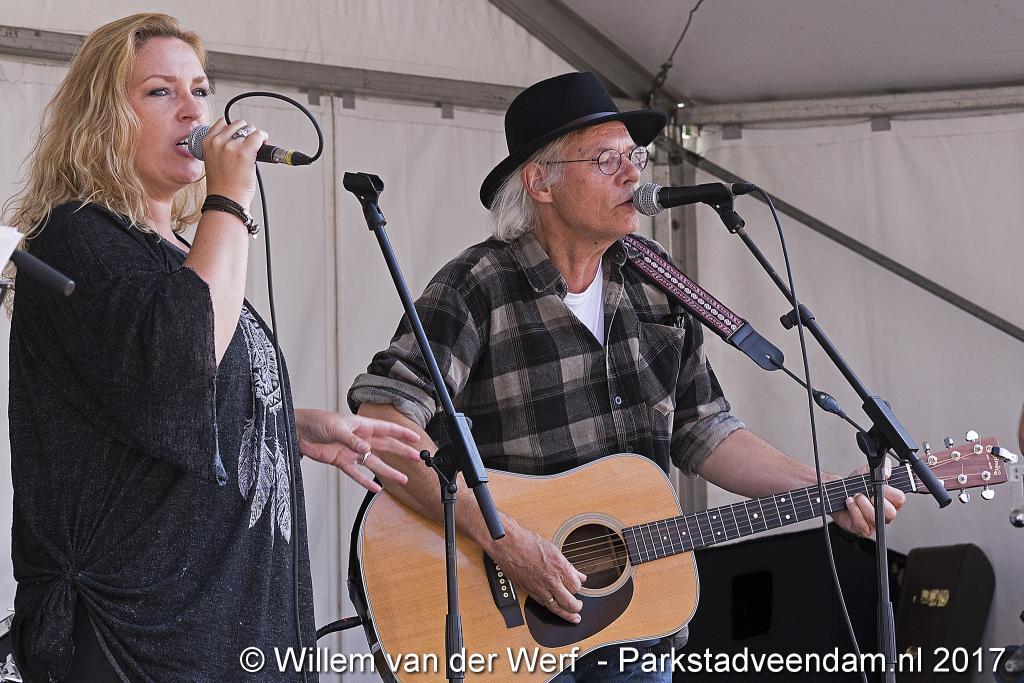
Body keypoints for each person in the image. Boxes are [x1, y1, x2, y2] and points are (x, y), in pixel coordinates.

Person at [348, 72, 906, 681]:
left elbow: (705, 430)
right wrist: (506, 540)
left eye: (633, 156)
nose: (633, 175)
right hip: (505, 635)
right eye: (605, 159)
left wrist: (824, 489)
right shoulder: (477, 286)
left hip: (635, 624)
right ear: (541, 182)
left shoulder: (655, 280)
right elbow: (382, 426)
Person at [3, 13, 420, 681]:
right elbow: (177, 366)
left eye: (200, 89)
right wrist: (229, 198)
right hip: (137, 633)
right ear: (103, 118)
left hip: (226, 624)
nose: (194, 110)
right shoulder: (75, 237)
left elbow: (165, 399)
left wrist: (284, 423)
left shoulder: (183, 253)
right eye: (160, 91)